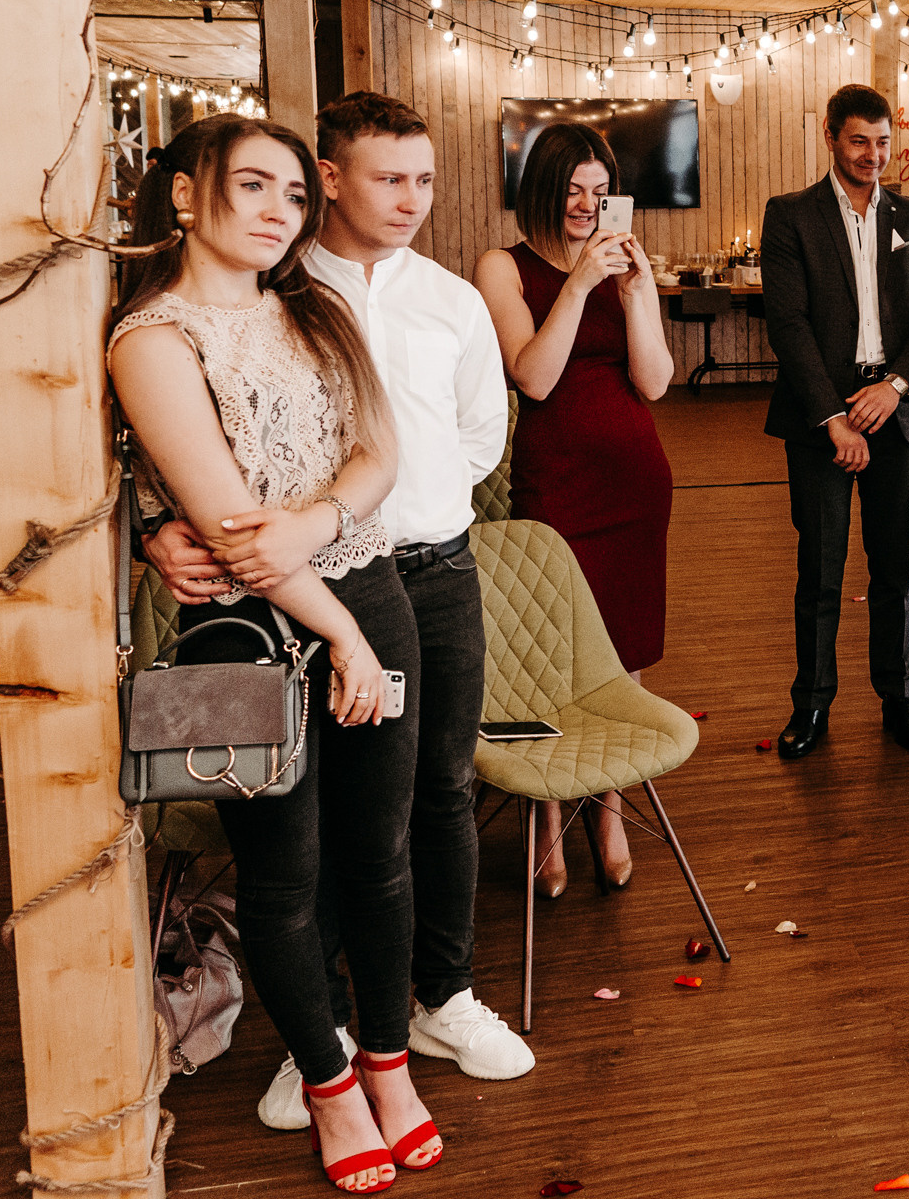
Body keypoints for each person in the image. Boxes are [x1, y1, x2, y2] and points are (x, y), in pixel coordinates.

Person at [149, 95, 532, 1123]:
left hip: (420, 576)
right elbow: (162, 452)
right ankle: (315, 1040)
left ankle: (429, 1003)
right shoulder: (258, 289)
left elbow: (467, 439)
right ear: (334, 176)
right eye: (387, 177)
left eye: (425, 180)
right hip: (262, 602)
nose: (410, 199)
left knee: (431, 800)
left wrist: (352, 518)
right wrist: (155, 521)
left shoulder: (442, 300)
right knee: (294, 839)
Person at [110, 116, 437, 1193]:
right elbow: (223, 516)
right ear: (189, 197)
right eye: (251, 186)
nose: (276, 211)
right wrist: (329, 622)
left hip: (369, 588)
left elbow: (380, 448)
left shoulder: (316, 305)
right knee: (282, 879)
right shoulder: (151, 339)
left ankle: (389, 1063)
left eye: (294, 195)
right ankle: (331, 1084)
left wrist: (323, 522)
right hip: (243, 635)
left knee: (382, 858)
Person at [476, 122, 674, 894]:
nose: (587, 207)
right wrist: (580, 285)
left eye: (600, 192)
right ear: (542, 192)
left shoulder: (624, 264)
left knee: (619, 654)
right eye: (572, 192)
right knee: (551, 646)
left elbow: (654, 381)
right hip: (557, 476)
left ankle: (610, 810)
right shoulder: (503, 265)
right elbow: (534, 377)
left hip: (636, 480)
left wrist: (637, 294)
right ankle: (549, 817)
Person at [762, 84, 909, 760]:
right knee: (822, 569)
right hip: (821, 419)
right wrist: (835, 418)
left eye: (884, 141)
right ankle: (810, 706)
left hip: (895, 413)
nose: (874, 155)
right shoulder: (791, 216)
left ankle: (900, 699)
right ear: (833, 138)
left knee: (895, 569)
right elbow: (788, 324)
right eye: (860, 141)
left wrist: (895, 388)